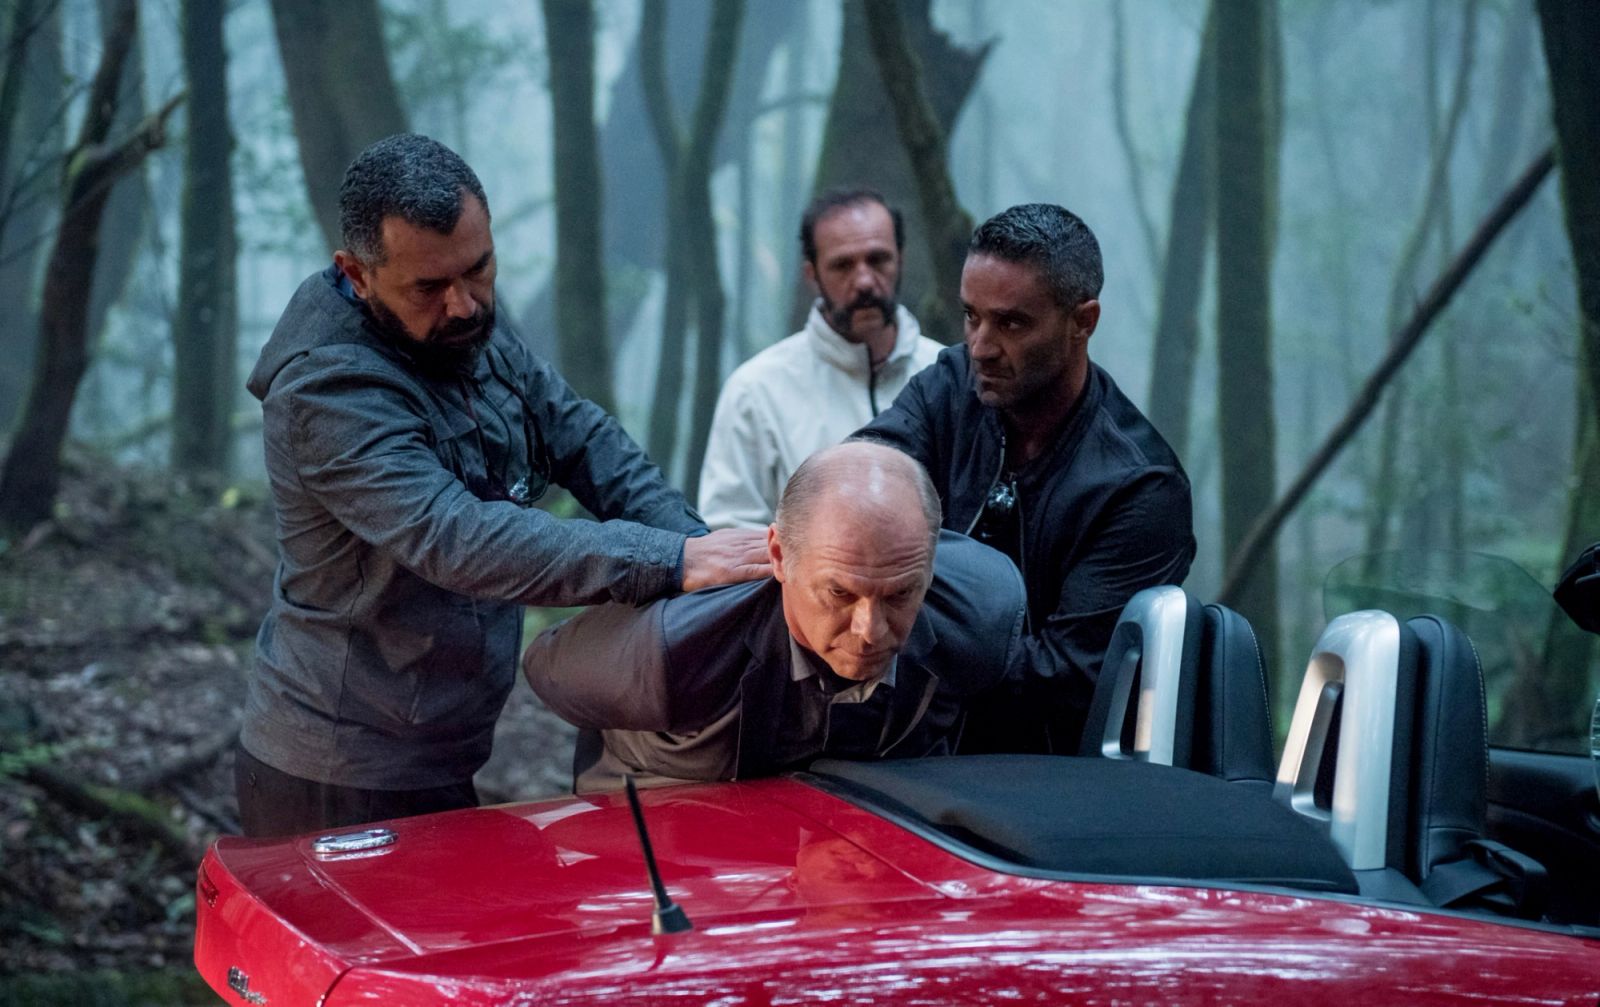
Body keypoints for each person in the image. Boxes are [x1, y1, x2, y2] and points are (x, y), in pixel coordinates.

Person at [237, 134, 768, 837]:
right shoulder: (326, 389)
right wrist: (668, 561)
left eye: (479, 268)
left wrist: (707, 561)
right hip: (337, 772)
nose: (463, 304)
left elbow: (581, 438)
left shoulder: (464, 323)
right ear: (356, 275)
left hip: (438, 743)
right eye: (428, 287)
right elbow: (459, 537)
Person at [856, 203, 1196, 755]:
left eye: (1011, 323)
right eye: (971, 316)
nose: (981, 347)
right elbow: (854, 487)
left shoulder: (1139, 488)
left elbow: (1060, 680)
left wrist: (892, 636)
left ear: (1083, 322)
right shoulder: (950, 385)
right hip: (901, 741)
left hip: (1041, 775)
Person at [523, 442, 1027, 792]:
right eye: (839, 593)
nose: (870, 630)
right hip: (674, 849)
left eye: (899, 595)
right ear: (780, 557)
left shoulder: (982, 616)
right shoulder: (670, 651)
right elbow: (544, 666)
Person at [696, 189, 943, 529]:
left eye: (878, 259)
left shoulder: (945, 375)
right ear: (811, 274)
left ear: (900, 259)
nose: (864, 281)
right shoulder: (756, 391)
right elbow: (730, 531)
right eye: (843, 265)